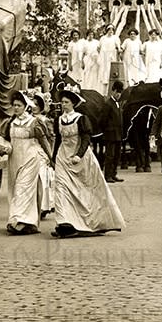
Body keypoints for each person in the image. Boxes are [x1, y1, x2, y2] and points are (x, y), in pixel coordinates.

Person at [49, 89, 125, 237]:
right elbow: (58, 140)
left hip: (81, 158)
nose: (64, 105)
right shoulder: (59, 119)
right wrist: (53, 158)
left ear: (73, 104)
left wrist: (79, 155)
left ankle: (89, 221)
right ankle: (64, 222)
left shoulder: (81, 119)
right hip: (63, 157)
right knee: (61, 189)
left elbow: (85, 139)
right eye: (62, 102)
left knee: (84, 191)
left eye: (66, 102)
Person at [0, 90, 52, 235]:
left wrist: (51, 157)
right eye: (14, 105)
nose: (16, 108)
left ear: (25, 106)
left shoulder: (34, 122)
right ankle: (28, 222)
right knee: (16, 190)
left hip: (30, 159)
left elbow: (44, 140)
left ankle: (17, 221)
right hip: (15, 160)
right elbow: (3, 140)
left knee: (23, 188)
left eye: (19, 105)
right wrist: (2, 149)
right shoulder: (10, 123)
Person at [99, 80, 125, 183]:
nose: (118, 94)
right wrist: (107, 130)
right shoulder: (108, 104)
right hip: (110, 134)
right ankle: (107, 175)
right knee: (110, 156)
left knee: (116, 156)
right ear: (112, 91)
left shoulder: (117, 103)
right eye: (117, 92)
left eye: (120, 92)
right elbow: (102, 120)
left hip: (118, 134)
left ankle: (114, 174)